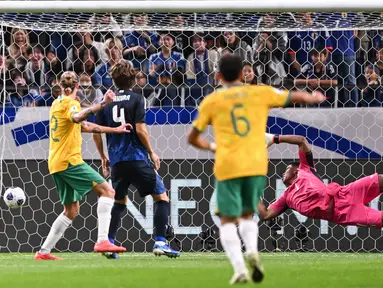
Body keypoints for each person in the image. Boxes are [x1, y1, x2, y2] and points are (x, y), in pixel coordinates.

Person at [187, 54, 326, 285]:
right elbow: (292, 95)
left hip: (228, 163)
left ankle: (240, 268)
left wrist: (213, 146)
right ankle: (253, 250)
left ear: (218, 76)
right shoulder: (259, 92)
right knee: (247, 214)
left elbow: (192, 137)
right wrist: (313, 97)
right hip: (255, 164)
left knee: (228, 220)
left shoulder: (212, 100)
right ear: (243, 74)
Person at [34, 71, 131, 260]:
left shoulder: (56, 103)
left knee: (71, 210)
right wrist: (102, 104)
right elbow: (77, 118)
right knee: (108, 191)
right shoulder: (71, 103)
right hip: (70, 161)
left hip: (55, 162)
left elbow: (84, 126)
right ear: (77, 86)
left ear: (60, 86)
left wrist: (115, 130)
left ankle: (43, 252)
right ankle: (103, 240)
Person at [93, 59, 180, 259]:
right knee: (161, 197)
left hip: (117, 161)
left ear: (114, 79)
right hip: (137, 158)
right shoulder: (137, 98)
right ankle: (160, 241)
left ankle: (110, 243)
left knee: (119, 201)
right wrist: (151, 152)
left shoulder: (105, 102)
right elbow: (140, 129)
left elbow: (96, 132)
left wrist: (103, 157)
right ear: (132, 79)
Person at [258, 134, 383, 229]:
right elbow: (265, 215)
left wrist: (274, 138)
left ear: (296, 169)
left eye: (287, 168)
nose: (283, 173)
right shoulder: (286, 198)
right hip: (344, 213)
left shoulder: (306, 169)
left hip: (345, 193)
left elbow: (301, 141)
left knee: (381, 179)